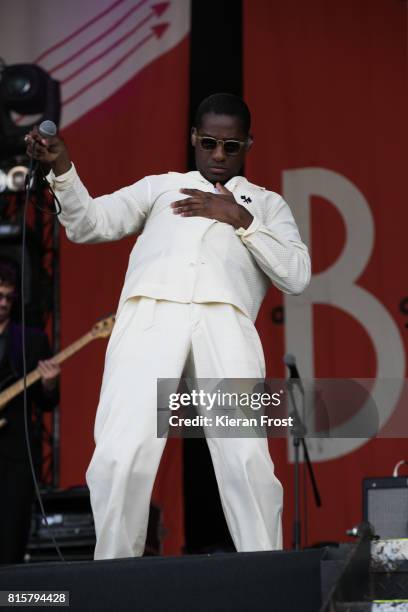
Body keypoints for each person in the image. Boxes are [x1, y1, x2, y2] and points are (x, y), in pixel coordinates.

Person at [26, 93, 311, 559]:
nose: (220, 155)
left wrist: (240, 219)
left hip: (227, 319)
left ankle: (264, 569)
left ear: (249, 144)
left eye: (232, 146)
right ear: (193, 138)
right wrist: (63, 169)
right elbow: (88, 223)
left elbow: (297, 274)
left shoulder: (266, 204)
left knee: (245, 457)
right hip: (149, 312)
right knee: (122, 452)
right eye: (211, 143)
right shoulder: (162, 186)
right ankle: (113, 574)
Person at [0, 261, 60, 564]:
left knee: (11, 536)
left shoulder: (32, 339)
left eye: (9, 297)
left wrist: (49, 384)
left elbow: (48, 403)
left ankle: (9, 600)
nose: (3, 304)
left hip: (15, 455)